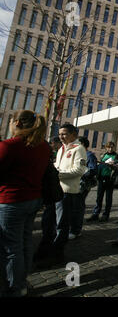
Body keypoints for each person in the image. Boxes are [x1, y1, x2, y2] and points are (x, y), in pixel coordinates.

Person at [0, 110, 50, 297]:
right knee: (25, 241)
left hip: (11, 200)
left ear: (18, 123)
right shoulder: (44, 147)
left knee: (11, 246)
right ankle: (22, 281)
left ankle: (15, 286)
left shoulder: (9, 145)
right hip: (33, 199)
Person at [45, 123, 87, 264]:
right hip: (55, 190)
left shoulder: (79, 149)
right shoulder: (62, 148)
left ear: (73, 135)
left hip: (67, 192)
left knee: (62, 224)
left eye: (64, 134)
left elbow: (79, 170)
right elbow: (59, 166)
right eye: (60, 134)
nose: (61, 137)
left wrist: (57, 174)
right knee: (50, 221)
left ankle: (58, 253)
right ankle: (49, 249)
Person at [72, 136, 98, 239]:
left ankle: (76, 230)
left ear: (82, 144)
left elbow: (93, 170)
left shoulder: (89, 155)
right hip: (75, 184)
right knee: (74, 207)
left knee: (78, 207)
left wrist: (80, 173)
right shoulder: (78, 154)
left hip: (83, 185)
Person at [87, 142, 118, 222]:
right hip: (101, 178)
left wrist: (112, 166)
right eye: (109, 147)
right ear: (106, 148)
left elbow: (117, 168)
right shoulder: (103, 155)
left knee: (108, 199)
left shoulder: (116, 156)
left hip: (110, 179)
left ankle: (105, 215)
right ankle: (96, 213)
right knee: (99, 198)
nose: (110, 149)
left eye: (112, 147)